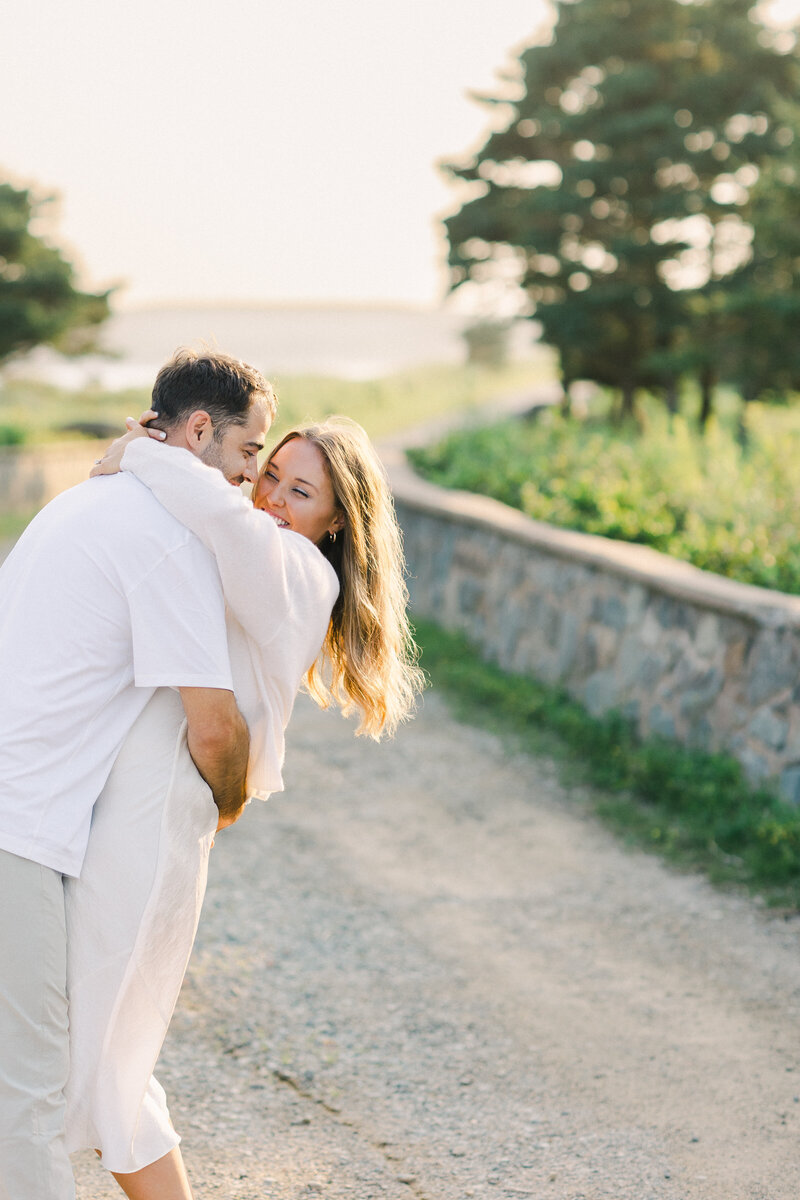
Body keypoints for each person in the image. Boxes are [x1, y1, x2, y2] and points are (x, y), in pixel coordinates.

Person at [65, 410, 424, 1198]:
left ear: (335, 524)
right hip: (126, 809)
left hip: (154, 820)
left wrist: (142, 450)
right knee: (92, 1046)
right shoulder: (253, 554)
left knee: (105, 1057)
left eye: (302, 492)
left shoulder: (302, 575)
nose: (273, 499)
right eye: (270, 476)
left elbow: (214, 515)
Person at [0, 347, 273, 1200]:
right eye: (245, 452)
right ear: (198, 431)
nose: (250, 478)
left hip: (24, 822)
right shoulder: (166, 541)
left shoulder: (86, 501)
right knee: (29, 1101)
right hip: (17, 831)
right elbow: (215, 726)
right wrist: (231, 801)